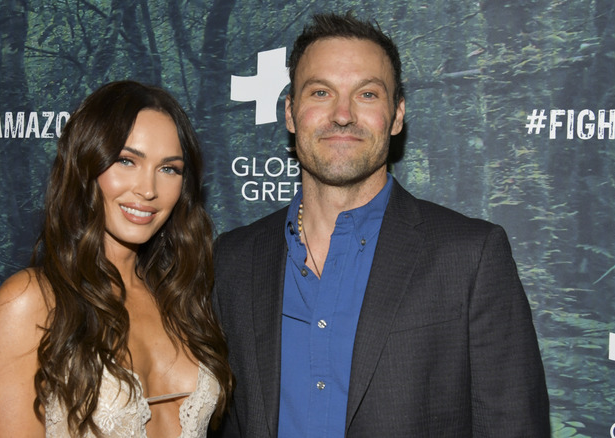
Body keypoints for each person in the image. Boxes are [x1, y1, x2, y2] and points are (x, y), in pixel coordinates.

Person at [211, 12, 550, 437]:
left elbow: (513, 427)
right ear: (291, 113)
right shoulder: (234, 259)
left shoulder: (470, 256)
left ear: (396, 116)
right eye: (320, 92)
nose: (342, 114)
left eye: (367, 94)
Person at [0, 80, 233, 438]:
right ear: (85, 166)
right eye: (127, 161)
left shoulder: (181, 298)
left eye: (169, 168)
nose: (148, 189)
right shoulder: (31, 302)